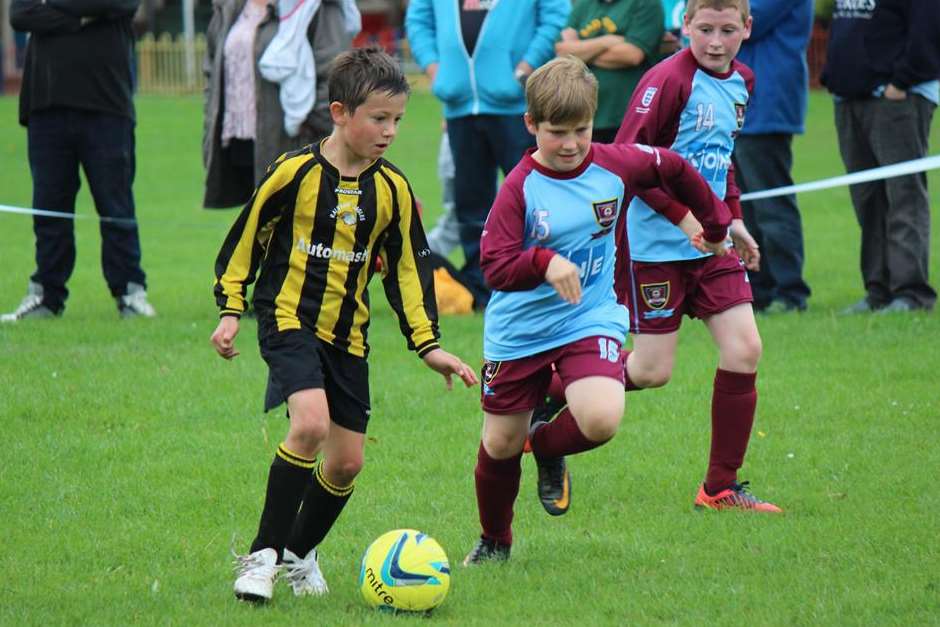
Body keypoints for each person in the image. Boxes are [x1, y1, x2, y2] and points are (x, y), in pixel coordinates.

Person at [211, 47, 479, 603]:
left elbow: (409, 271)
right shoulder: (294, 173)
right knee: (308, 426)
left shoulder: (394, 190)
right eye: (378, 119)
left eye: (398, 120)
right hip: (287, 318)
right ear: (339, 112)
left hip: (348, 336)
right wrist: (230, 308)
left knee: (347, 461)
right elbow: (246, 240)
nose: (389, 131)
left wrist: (428, 345)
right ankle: (261, 556)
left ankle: (299, 554)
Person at [463, 56, 735, 565]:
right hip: (518, 333)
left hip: (588, 317)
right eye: (556, 132)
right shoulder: (519, 189)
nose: (569, 144)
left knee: (602, 416)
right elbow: (495, 266)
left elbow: (675, 168)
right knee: (500, 445)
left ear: (594, 121)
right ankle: (495, 539)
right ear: (531, 125)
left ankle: (546, 447)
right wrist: (544, 263)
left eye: (581, 130)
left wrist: (715, 225)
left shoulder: (614, 165)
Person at [405, 0, 570, 307]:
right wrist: (435, 69)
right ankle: (483, 290)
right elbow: (418, 20)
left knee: (534, 198)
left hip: (515, 106)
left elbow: (554, 16)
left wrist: (524, 69)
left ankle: (544, 279)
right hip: (460, 106)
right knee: (471, 207)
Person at [3, 0, 156, 322]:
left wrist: (51, 5)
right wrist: (84, 15)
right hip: (46, 105)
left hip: (107, 104)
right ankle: (46, 293)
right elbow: (19, 14)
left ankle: (130, 290)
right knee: (48, 208)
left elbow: (122, 4)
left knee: (116, 207)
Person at [822, 0, 939, 314]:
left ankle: (911, 294)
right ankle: (879, 291)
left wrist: (902, 80)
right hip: (849, 97)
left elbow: (929, 25)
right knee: (867, 198)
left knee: (903, 195)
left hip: (896, 99)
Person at [202, 0, 360, 209]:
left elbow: (337, 78)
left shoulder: (317, 6)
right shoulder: (230, 6)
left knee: (301, 232)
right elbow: (212, 73)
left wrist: (309, 129)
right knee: (260, 228)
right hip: (243, 142)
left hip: (297, 145)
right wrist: (210, 126)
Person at [731, 0, 813, 313]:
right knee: (744, 205)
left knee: (772, 204)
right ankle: (758, 287)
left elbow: (743, 20)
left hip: (768, 102)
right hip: (742, 105)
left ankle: (789, 290)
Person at [555, 0, 664, 143]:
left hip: (627, 117)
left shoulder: (646, 4)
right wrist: (607, 41)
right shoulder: (583, 4)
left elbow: (632, 55)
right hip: (582, 115)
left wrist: (579, 50)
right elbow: (562, 51)